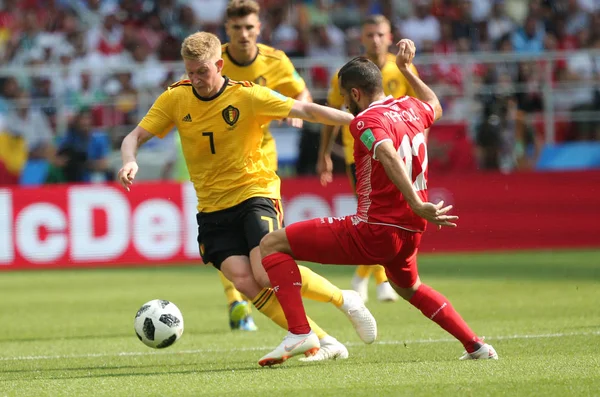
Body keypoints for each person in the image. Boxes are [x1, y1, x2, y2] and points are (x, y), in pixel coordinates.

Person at [118, 31, 377, 363]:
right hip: (211, 207)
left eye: (202, 71)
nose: (195, 79)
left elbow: (306, 109)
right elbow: (134, 136)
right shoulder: (175, 98)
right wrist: (130, 160)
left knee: (266, 271)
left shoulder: (247, 96)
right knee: (244, 280)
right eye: (190, 72)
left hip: (255, 193)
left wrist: (357, 122)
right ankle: (323, 341)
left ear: (219, 64)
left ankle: (345, 299)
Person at [258, 39, 499, 367]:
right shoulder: (410, 107)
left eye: (344, 96)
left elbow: (385, 152)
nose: (344, 104)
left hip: (375, 229)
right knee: (410, 287)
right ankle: (476, 346)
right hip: (410, 230)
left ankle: (301, 331)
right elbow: (435, 105)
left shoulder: (363, 123)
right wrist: (405, 70)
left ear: (355, 93)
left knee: (272, 244)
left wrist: (414, 200)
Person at [211, 0, 314, 332]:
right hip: (218, 164)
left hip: (260, 164)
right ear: (226, 30)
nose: (243, 34)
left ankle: (285, 302)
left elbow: (303, 93)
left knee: (263, 244)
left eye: (249, 27)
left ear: (259, 28)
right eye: (236, 28)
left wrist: (297, 113)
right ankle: (237, 302)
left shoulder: (276, 60)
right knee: (225, 237)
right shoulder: (214, 63)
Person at [317, 15, 419, 303]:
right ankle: (378, 279)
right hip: (361, 157)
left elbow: (418, 111)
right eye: (370, 34)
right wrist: (324, 154)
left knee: (388, 219)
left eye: (380, 34)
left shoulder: (404, 69)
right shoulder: (348, 74)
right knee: (375, 218)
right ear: (362, 38)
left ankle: (368, 277)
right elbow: (331, 115)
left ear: (390, 37)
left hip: (399, 154)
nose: (375, 39)